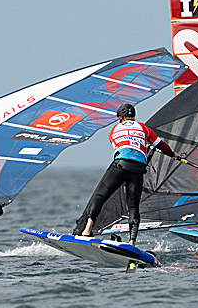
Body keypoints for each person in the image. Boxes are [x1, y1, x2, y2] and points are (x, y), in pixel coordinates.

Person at [74, 103, 177, 246]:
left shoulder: (113, 130)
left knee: (100, 196)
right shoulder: (144, 128)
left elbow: (119, 147)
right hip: (137, 169)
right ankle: (132, 242)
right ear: (134, 117)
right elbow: (162, 146)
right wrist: (173, 155)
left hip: (120, 166)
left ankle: (87, 229)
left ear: (120, 118)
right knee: (133, 207)